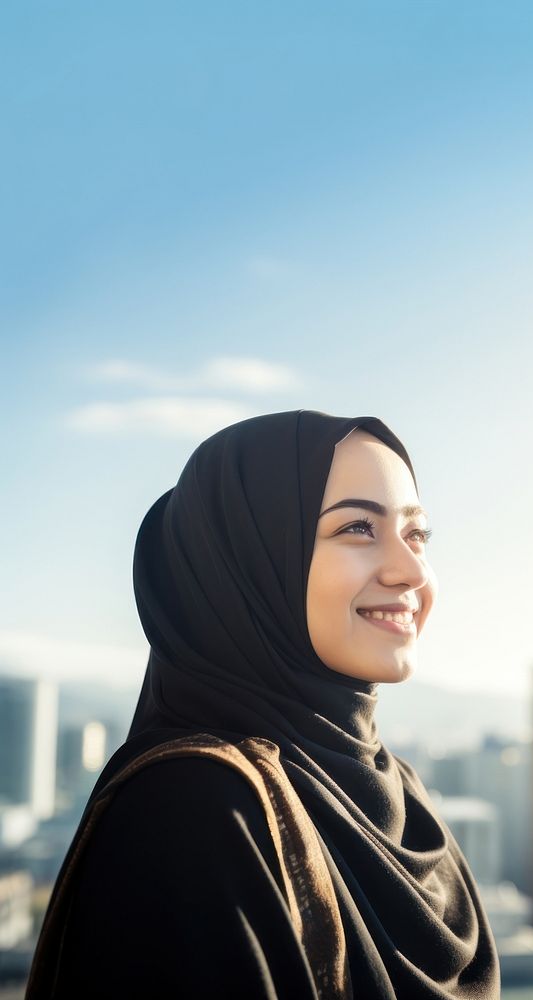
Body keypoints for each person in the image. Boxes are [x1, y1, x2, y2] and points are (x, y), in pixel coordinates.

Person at [26, 409, 501, 999]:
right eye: (357, 528)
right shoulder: (193, 811)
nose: (411, 570)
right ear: (246, 564)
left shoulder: (400, 791)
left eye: (417, 533)